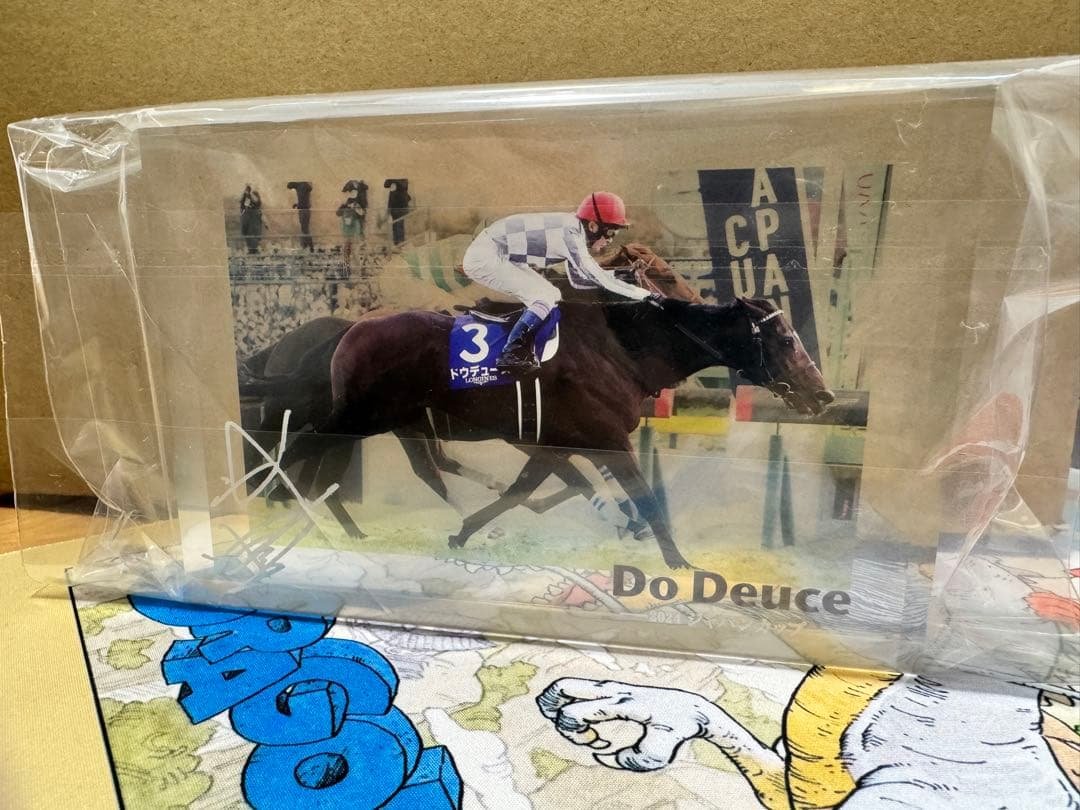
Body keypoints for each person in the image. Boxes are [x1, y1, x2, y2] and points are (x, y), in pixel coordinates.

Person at [462, 192, 654, 374]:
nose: (610, 240)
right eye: (610, 232)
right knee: (543, 296)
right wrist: (648, 296)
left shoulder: (573, 230)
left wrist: (622, 275)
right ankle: (510, 354)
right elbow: (598, 278)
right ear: (593, 226)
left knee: (552, 294)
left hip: (500, 252)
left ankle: (517, 338)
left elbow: (579, 281)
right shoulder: (570, 234)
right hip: (486, 255)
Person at [239, 185, 263, 254]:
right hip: (248, 218)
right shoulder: (246, 197)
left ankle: (254, 249)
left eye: (247, 190)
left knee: (253, 234)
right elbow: (244, 206)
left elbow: (257, 203)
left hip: (253, 219)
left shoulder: (251, 196)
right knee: (249, 234)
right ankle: (251, 249)